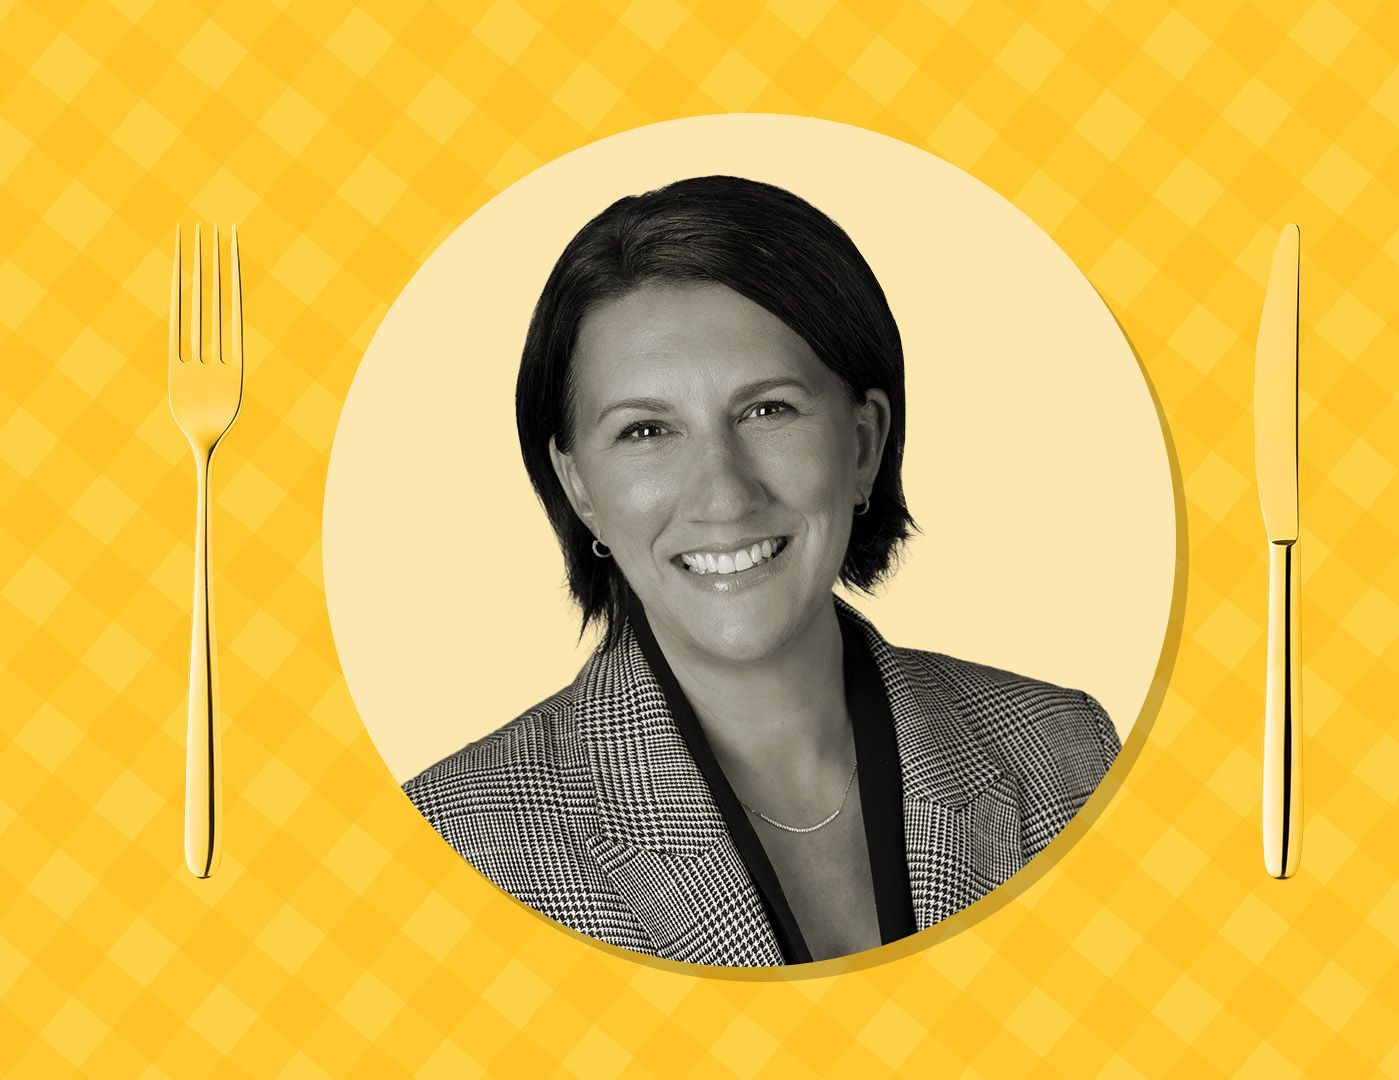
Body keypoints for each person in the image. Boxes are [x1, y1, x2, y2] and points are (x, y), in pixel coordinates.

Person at [404, 175, 1119, 966]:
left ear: (862, 444)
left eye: (767, 410)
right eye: (645, 430)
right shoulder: (456, 841)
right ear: (582, 491)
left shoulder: (1065, 753)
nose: (723, 493)